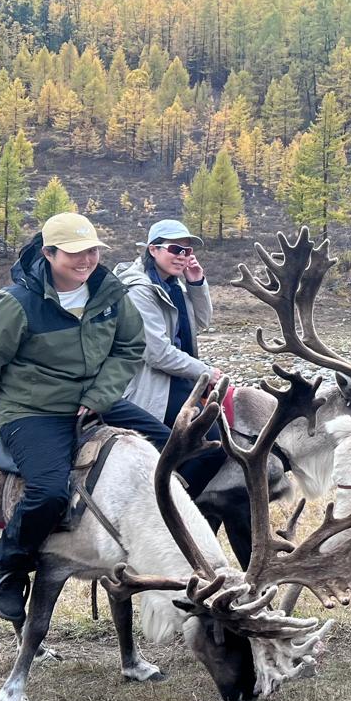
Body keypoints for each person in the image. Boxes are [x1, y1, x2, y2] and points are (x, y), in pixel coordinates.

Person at [0, 212, 173, 624]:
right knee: (48, 492)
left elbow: (129, 347)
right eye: (75, 253)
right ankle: (10, 571)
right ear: (48, 253)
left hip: (95, 400)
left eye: (94, 250)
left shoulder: (110, 293)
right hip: (33, 411)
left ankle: (155, 539)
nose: (87, 260)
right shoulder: (15, 305)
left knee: (175, 449)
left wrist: (100, 395)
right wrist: (10, 423)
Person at [113, 219, 245, 561]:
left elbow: (201, 322)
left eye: (187, 249)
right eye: (175, 249)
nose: (183, 255)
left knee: (212, 442)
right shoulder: (141, 289)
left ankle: (174, 500)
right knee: (209, 446)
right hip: (150, 386)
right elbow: (155, 352)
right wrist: (206, 371)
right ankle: (169, 507)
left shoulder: (172, 285)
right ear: (152, 249)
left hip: (177, 382)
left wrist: (196, 282)